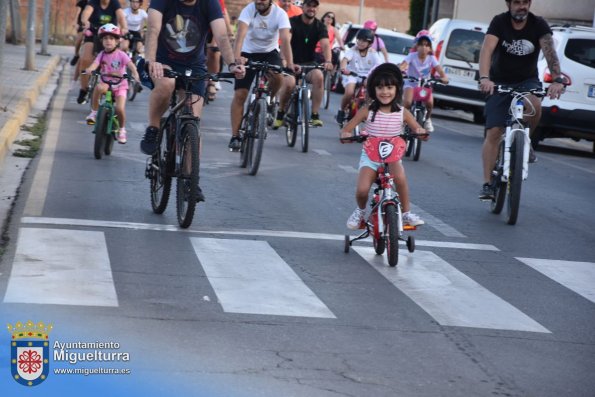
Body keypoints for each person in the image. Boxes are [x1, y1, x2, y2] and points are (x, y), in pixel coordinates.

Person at [139, 0, 246, 202]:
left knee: (193, 121)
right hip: (163, 62)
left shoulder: (210, 3)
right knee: (167, 84)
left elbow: (222, 36)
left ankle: (190, 180)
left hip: (194, 66)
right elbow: (153, 29)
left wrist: (232, 64)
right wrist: (151, 60)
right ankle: (153, 128)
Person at [477, 0, 565, 200]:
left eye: (525, 2)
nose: (521, 6)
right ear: (508, 4)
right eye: (517, 2)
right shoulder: (499, 22)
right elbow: (487, 50)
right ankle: (488, 184)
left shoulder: (538, 24)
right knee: (494, 131)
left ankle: (525, 142)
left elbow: (550, 53)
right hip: (499, 81)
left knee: (535, 105)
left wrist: (557, 79)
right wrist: (484, 78)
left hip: (527, 80)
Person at [340, 63, 425, 229]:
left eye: (389, 87)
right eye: (380, 88)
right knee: (363, 190)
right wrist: (346, 134)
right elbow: (348, 128)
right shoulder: (367, 110)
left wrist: (420, 131)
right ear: (373, 90)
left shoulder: (402, 112)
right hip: (371, 157)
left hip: (392, 157)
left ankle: (406, 213)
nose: (385, 92)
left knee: (400, 179)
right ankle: (360, 211)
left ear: (397, 89)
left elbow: (417, 128)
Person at [228, 0, 297, 150]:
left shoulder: (280, 14)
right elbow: (240, 35)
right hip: (247, 53)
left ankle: (270, 101)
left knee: (278, 75)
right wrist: (237, 59)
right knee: (240, 94)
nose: (259, 1)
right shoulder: (248, 10)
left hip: (269, 53)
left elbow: (285, 39)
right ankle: (235, 136)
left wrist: (290, 63)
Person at [273, 0, 332, 129]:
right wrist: (286, 61)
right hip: (291, 62)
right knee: (289, 84)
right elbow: (285, 41)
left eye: (314, 6)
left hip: (309, 64)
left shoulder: (319, 26)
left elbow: (326, 45)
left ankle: (315, 115)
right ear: (303, 7)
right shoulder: (292, 22)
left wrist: (328, 61)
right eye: (309, 5)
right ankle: (281, 113)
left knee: (319, 77)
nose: (311, 9)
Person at [84, 24, 140, 144]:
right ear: (102, 41)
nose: (108, 41)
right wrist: (90, 69)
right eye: (105, 39)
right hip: (106, 83)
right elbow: (95, 64)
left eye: (111, 38)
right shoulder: (102, 54)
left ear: (117, 41)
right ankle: (93, 113)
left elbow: (130, 65)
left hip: (120, 85)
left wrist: (135, 73)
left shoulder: (121, 54)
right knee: (98, 88)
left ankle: (122, 129)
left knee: (119, 108)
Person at [79, 0, 128, 104]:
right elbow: (86, 12)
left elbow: (120, 16)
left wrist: (124, 27)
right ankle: (83, 89)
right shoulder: (93, 2)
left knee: (119, 56)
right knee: (85, 59)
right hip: (94, 33)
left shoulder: (115, 3)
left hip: (110, 35)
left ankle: (116, 88)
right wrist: (85, 21)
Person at [398, 30, 448, 132]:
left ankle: (427, 119)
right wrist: (400, 70)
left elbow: (440, 71)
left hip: (424, 85)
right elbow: (403, 65)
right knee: (407, 102)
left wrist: (444, 77)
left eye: (426, 45)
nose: (423, 47)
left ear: (430, 47)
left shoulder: (432, 58)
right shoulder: (412, 56)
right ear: (417, 46)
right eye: (421, 44)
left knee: (430, 104)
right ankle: (402, 122)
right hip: (411, 83)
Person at [336, 28, 382, 125]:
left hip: (367, 76)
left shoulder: (373, 53)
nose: (361, 43)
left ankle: (366, 111)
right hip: (352, 74)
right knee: (349, 92)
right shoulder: (353, 50)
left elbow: (379, 65)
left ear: (370, 44)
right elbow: (344, 60)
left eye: (364, 41)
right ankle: (341, 110)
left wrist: (375, 75)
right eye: (359, 40)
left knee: (371, 93)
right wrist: (344, 68)